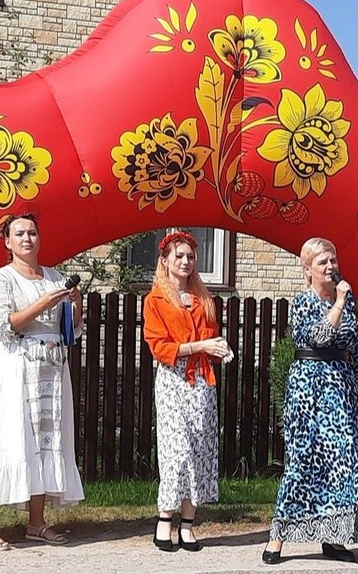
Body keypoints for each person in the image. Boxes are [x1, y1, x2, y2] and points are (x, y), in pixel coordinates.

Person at [0, 213, 85, 551]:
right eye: (19, 234)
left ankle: (36, 523)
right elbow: (5, 327)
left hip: (52, 368)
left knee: (43, 441)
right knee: (5, 438)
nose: (28, 239)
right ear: (7, 242)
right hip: (17, 366)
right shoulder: (2, 279)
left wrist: (75, 307)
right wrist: (42, 304)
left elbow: (69, 331)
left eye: (33, 233)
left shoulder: (54, 276)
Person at [262, 237, 358, 565]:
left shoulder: (346, 304)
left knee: (344, 463)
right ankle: (276, 539)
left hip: (342, 388)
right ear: (308, 270)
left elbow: (355, 348)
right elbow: (320, 337)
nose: (331, 267)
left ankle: (335, 537)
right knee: (304, 461)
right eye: (323, 262)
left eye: (334, 260)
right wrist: (338, 303)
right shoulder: (303, 302)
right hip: (310, 389)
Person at [143, 230, 233, 552]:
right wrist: (200, 345)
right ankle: (164, 520)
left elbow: (211, 339)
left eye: (190, 257)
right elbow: (159, 346)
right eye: (178, 256)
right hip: (172, 379)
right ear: (165, 261)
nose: (185, 261)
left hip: (201, 381)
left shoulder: (203, 300)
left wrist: (219, 349)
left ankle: (189, 523)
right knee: (175, 450)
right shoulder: (155, 301)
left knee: (198, 449)